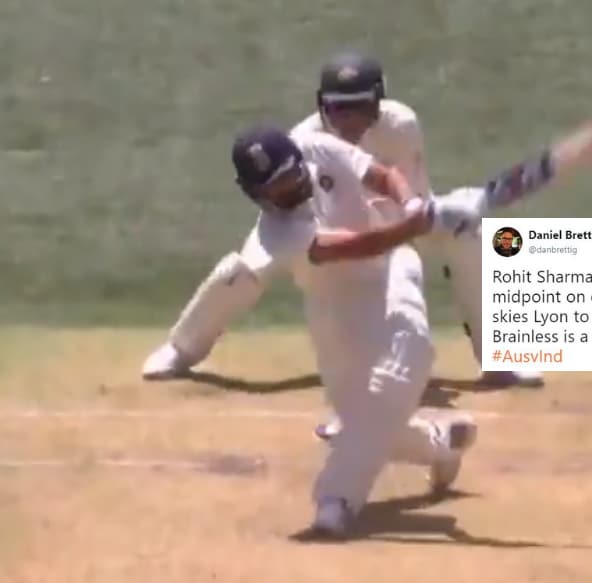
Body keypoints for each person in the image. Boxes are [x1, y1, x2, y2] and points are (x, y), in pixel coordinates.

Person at [189, 124, 480, 537]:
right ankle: (441, 442)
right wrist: (410, 226)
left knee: (405, 359)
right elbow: (354, 247)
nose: (286, 192)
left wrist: (412, 204)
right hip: (334, 311)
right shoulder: (275, 235)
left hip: (392, 270)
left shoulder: (317, 146)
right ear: (255, 193)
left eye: (289, 178)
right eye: (274, 189)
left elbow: (383, 176)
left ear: (298, 159)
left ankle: (335, 500)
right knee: (366, 420)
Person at [290, 50, 544, 389]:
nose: (349, 120)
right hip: (337, 252)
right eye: (339, 108)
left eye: (360, 107)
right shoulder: (302, 143)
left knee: (468, 234)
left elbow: (412, 202)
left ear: (378, 100)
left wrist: (442, 212)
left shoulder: (400, 124)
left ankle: (499, 359)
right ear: (322, 105)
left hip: (397, 227)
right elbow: (324, 233)